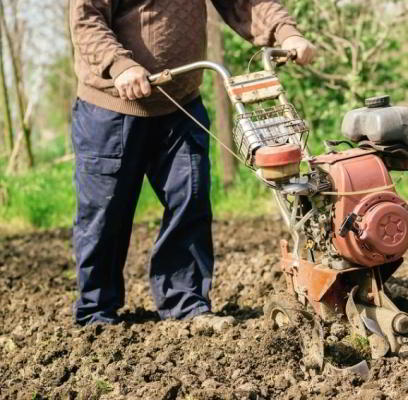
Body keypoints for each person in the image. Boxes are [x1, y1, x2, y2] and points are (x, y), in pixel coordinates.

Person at [69, 0, 316, 326]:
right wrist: (119, 65)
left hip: (181, 104)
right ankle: (96, 313)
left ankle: (185, 306)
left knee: (190, 202)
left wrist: (286, 33)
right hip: (111, 109)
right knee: (104, 214)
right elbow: (86, 18)